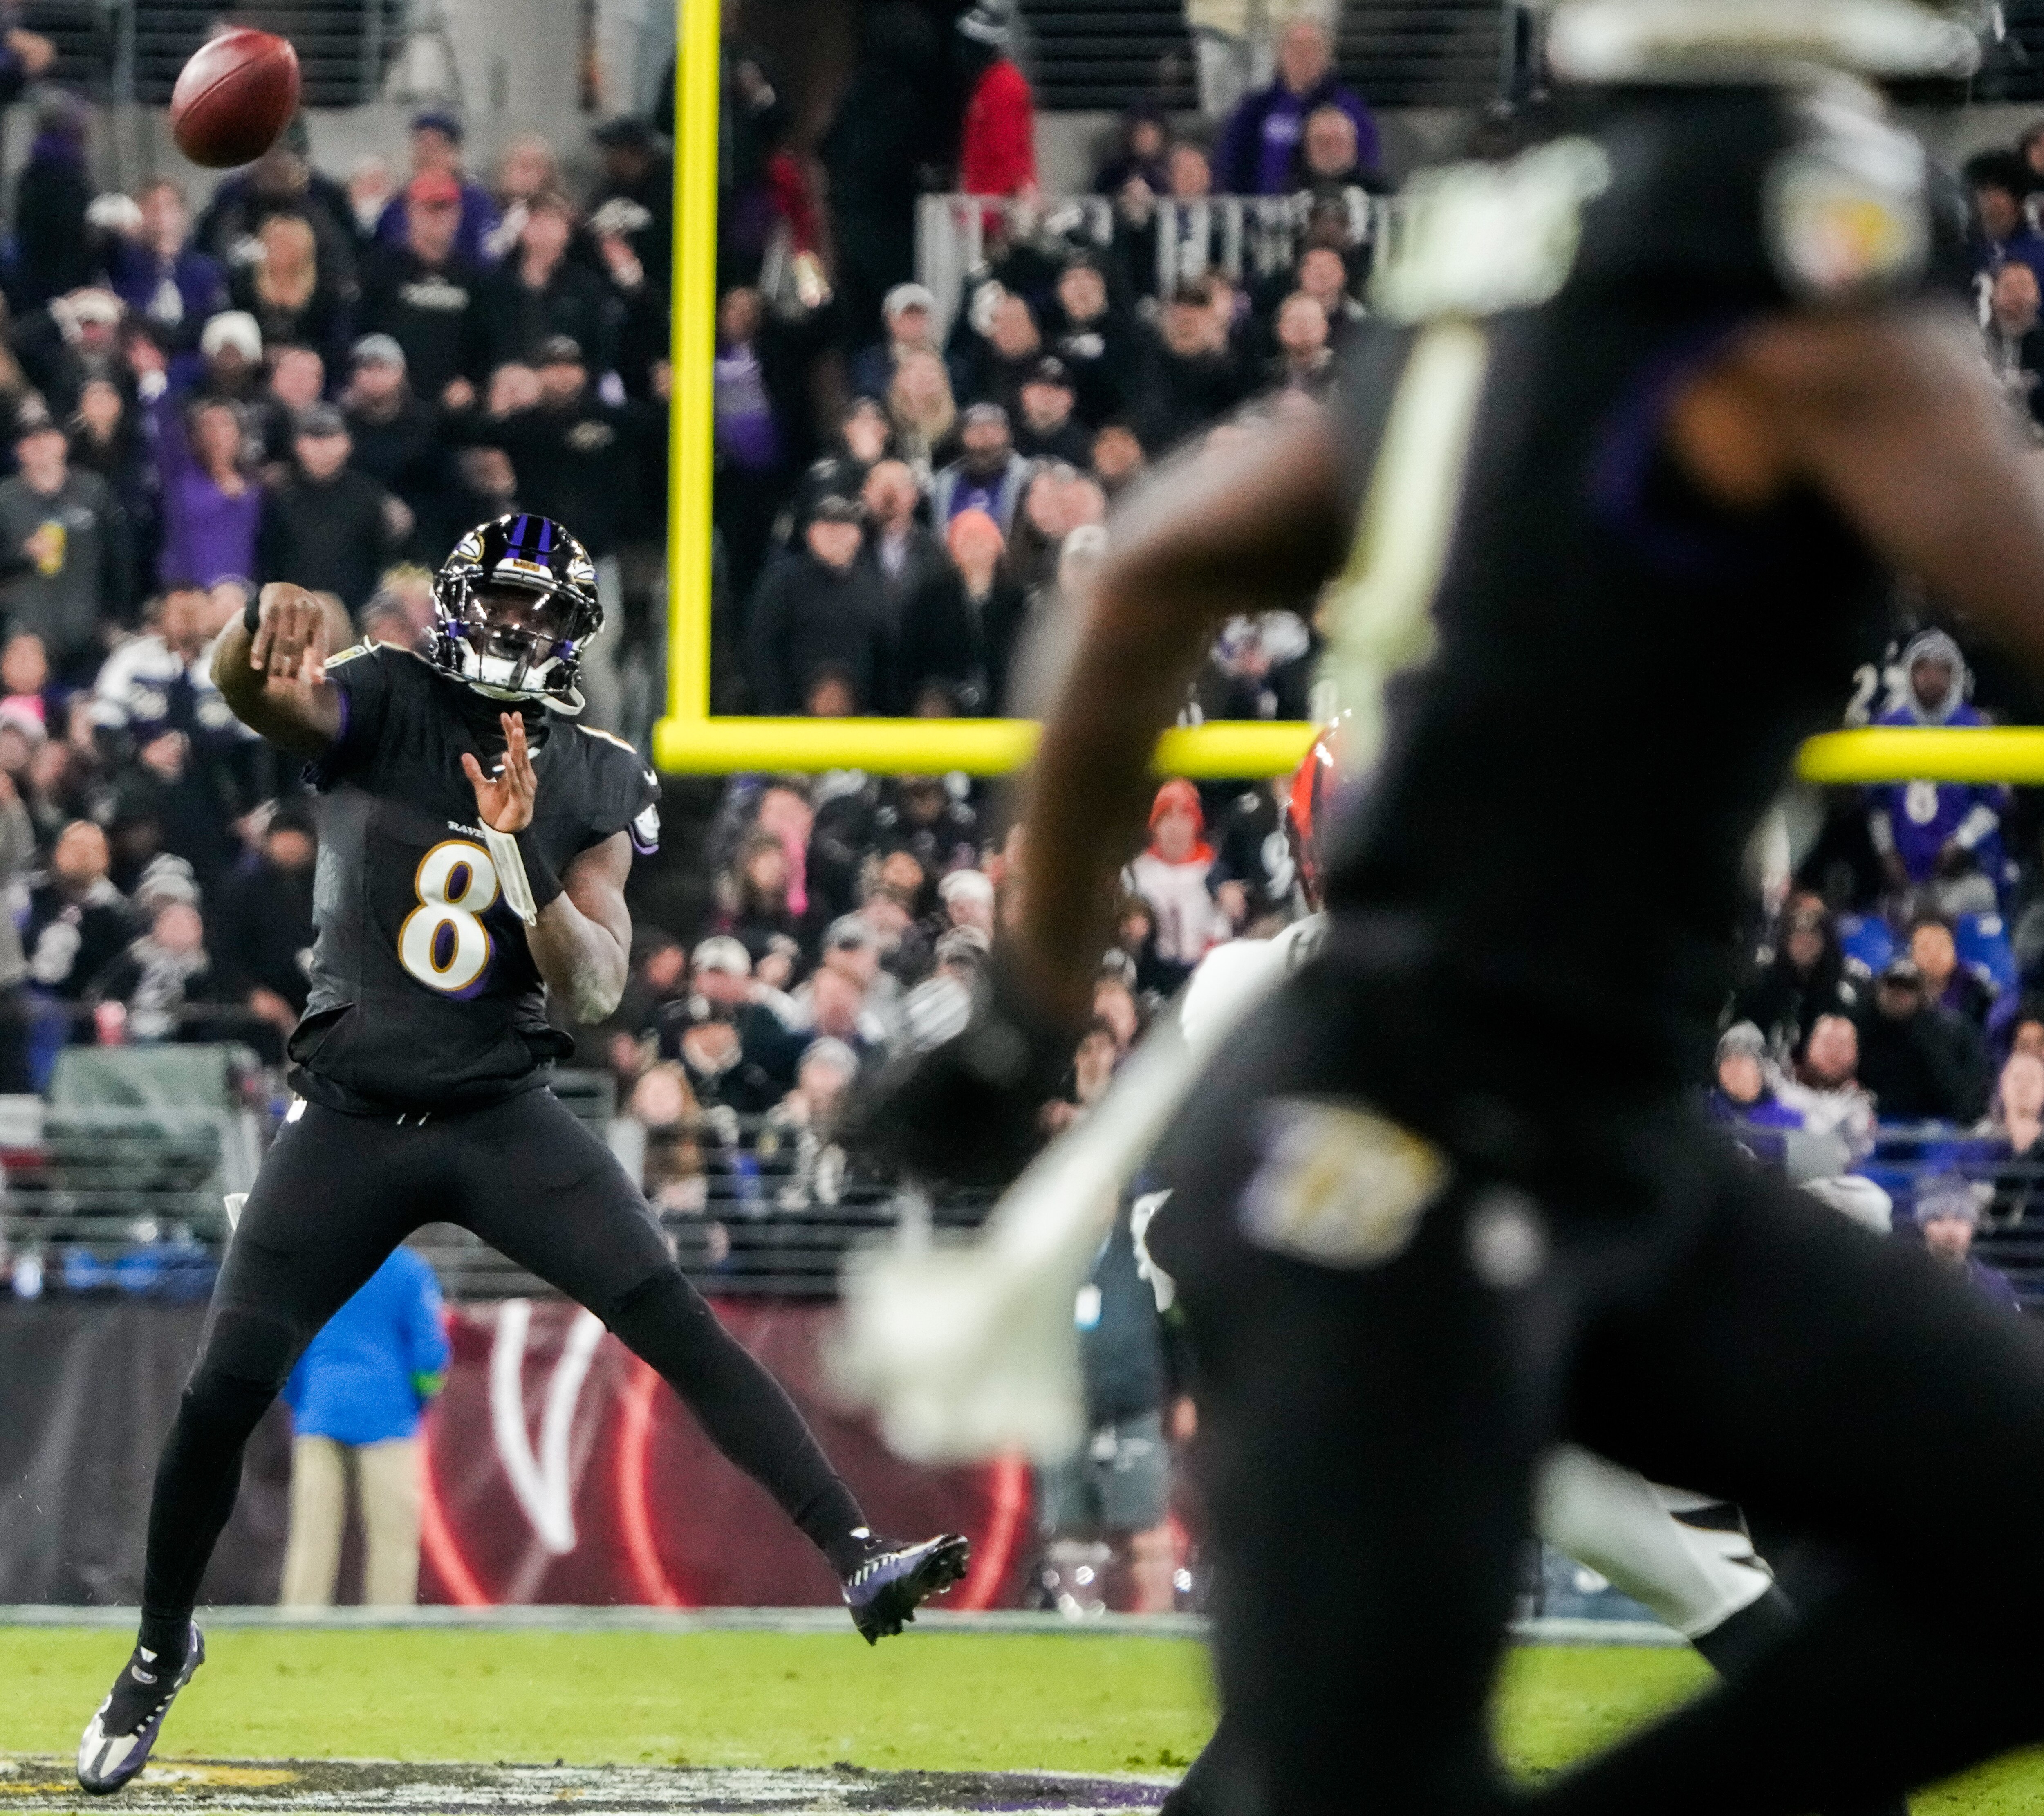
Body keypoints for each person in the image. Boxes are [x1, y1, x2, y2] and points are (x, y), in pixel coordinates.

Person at [856, 7, 2044, 1811]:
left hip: (1577, 1136)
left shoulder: (1510, 270)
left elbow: (1143, 576)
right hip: (1394, 1155)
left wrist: (1027, 1003)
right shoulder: (1780, 286)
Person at [74, 512, 970, 1794]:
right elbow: (259, 695)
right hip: (349, 1112)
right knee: (222, 1390)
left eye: (549, 612)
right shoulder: (387, 694)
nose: (523, 625)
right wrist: (247, 634)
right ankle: (163, 1646)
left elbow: (595, 985)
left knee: (674, 1317)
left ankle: (856, 1553)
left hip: (499, 1110)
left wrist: (514, 850)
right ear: (458, 600)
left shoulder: (596, 773)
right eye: (506, 600)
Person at [277, 1246, 450, 1608]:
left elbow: (288, 1352)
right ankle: (388, 1627)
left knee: (312, 1538)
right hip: (389, 1417)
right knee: (393, 1543)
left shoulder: (318, 1268)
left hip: (321, 1413)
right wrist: (417, 1403)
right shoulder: (410, 1271)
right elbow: (430, 1356)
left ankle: (298, 1628)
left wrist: (305, 1401)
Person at [0, 415, 131, 682]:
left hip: (89, 632)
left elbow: (119, 560)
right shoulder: (6, 500)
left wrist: (119, 617)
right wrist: (22, 555)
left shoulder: (93, 491)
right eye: (30, 439)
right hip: (28, 639)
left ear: (63, 443)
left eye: (47, 436)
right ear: (19, 450)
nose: (40, 446)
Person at [744, 495, 892, 715]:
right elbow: (761, 648)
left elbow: (887, 654)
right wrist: (780, 710)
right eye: (826, 527)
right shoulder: (782, 582)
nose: (835, 535)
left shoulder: (875, 586)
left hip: (862, 720)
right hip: (793, 718)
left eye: (843, 528)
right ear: (811, 534)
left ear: (858, 536)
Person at [256, 405, 406, 613]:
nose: (322, 449)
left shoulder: (370, 496)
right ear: (297, 446)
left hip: (359, 613)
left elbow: (387, 561)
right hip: (296, 612)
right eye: (313, 439)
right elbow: (268, 563)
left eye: (330, 438)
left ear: (347, 444)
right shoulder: (280, 497)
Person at [1213, 18, 1378, 198]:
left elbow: (1367, 166)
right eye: (1296, 47)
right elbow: (1231, 164)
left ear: (1328, 57)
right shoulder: (1256, 108)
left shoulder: (1350, 109)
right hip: (1265, 208)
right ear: (1280, 54)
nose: (1304, 56)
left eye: (1312, 48)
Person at [1912, 1173, 2020, 1312]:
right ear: (1923, 1227)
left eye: (1960, 1219)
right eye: (1938, 1219)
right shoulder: (1904, 1283)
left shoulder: (1994, 1286)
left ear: (1973, 1227)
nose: (1950, 1231)